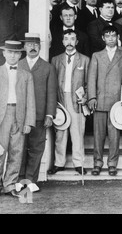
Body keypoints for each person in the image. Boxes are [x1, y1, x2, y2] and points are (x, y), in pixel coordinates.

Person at [0, 40, 35, 200]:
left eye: (16, 52)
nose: (13, 55)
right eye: (9, 52)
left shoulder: (26, 75)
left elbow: (30, 100)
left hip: (19, 116)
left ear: (20, 54)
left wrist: (28, 122)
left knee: (16, 153)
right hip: (0, 118)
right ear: (4, 53)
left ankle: (10, 185)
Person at [18, 33, 57, 191]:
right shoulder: (18, 65)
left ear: (40, 47)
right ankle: (19, 180)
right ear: (24, 47)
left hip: (40, 115)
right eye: (29, 45)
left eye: (35, 45)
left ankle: (31, 179)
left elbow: (51, 92)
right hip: (20, 115)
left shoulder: (48, 67)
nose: (32, 47)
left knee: (36, 147)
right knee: (19, 148)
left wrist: (49, 114)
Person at [48, 29, 90, 175]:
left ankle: (79, 163)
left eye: (72, 39)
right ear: (62, 42)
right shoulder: (55, 59)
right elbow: (51, 82)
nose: (69, 42)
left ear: (77, 42)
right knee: (60, 132)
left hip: (77, 100)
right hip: (60, 99)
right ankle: (59, 163)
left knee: (78, 132)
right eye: (66, 39)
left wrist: (85, 97)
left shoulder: (84, 60)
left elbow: (88, 83)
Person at [87, 25, 122, 176]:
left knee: (114, 135)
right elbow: (91, 78)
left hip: (116, 101)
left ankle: (112, 164)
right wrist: (91, 97)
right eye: (108, 36)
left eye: (113, 36)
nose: (111, 39)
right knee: (98, 135)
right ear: (103, 38)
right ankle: (97, 163)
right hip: (100, 100)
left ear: (117, 37)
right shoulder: (97, 55)